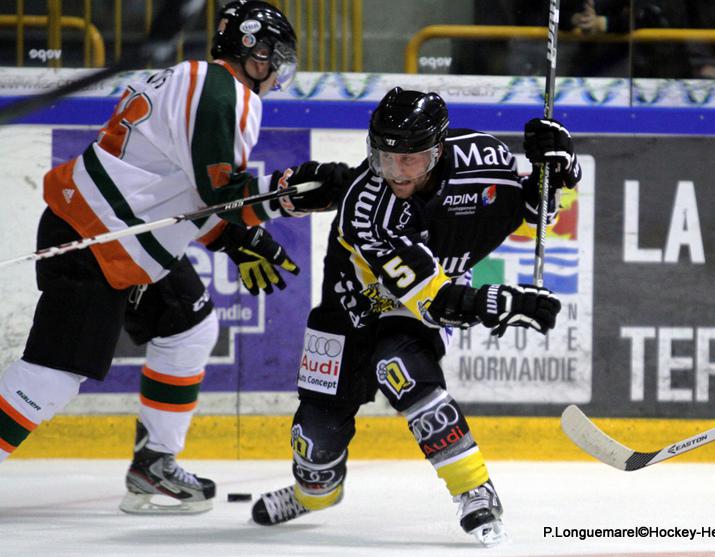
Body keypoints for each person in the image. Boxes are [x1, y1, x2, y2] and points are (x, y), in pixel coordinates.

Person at [0, 0, 339, 515]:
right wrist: (287, 193)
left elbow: (179, 190)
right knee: (52, 374)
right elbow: (219, 191)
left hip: (119, 236)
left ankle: (153, 463)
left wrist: (229, 237)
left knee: (189, 326)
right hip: (97, 238)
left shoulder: (189, 79)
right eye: (276, 56)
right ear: (252, 48)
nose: (278, 70)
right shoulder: (223, 90)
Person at [249, 88, 580, 546]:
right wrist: (501, 302)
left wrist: (559, 169)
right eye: (385, 158)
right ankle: (315, 495)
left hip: (407, 313)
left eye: (411, 160)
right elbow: (436, 300)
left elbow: (534, 208)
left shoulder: (484, 159)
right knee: (313, 441)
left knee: (402, 370)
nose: (396, 172)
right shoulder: (369, 209)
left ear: (439, 150)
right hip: (348, 311)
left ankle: (474, 489)